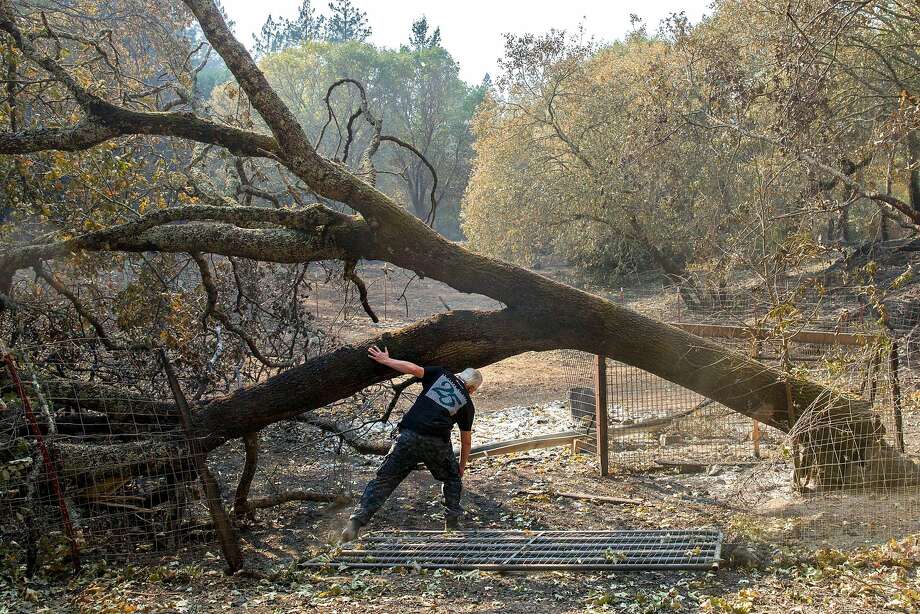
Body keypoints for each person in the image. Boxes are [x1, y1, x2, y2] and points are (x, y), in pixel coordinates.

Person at [340, 345, 482, 542]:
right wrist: (460, 468)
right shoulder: (467, 403)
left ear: (461, 376)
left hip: (408, 435)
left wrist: (386, 360)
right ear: (472, 388)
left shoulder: (441, 374)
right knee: (452, 479)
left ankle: (354, 523)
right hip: (436, 442)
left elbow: (414, 369)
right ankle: (452, 526)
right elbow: (466, 441)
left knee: (385, 480)